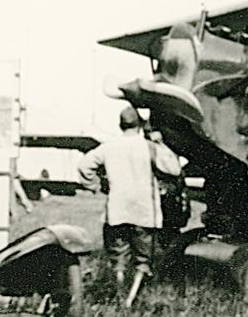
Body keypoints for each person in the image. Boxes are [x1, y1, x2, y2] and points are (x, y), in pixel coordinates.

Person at [76, 106, 181, 305]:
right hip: (144, 212)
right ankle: (130, 299)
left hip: (117, 211)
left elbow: (84, 166)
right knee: (143, 259)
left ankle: (119, 292)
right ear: (140, 125)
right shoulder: (149, 147)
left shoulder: (109, 147)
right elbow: (174, 169)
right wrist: (160, 143)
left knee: (118, 257)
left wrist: (95, 185)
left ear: (120, 125)